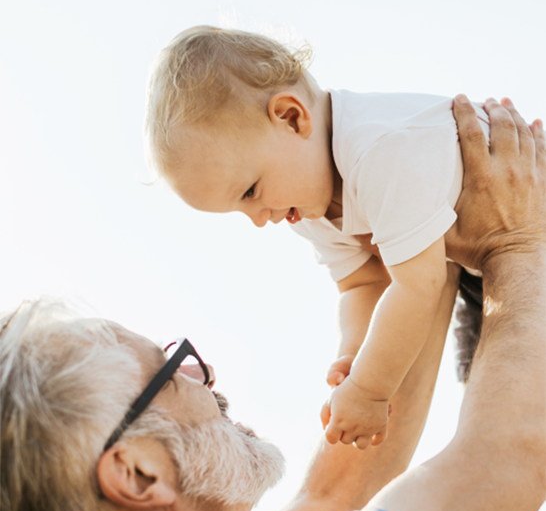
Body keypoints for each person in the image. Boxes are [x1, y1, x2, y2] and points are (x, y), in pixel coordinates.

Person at [0, 96, 544, 511]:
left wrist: (421, 236)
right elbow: (508, 456)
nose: (204, 375)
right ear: (136, 472)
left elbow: (332, 498)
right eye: (169, 369)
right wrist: (516, 243)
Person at [144, 26, 494, 452]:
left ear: (292, 118)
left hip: (527, 226)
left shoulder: (378, 152)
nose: (258, 220)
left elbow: (418, 285)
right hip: (488, 274)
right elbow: (362, 283)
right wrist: (354, 356)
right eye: (241, 211)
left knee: (511, 403)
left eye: (250, 191)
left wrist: (369, 390)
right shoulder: (308, 203)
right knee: (491, 398)